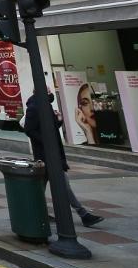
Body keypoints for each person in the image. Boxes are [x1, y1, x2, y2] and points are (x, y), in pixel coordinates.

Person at [23, 92, 104, 228]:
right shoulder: (34, 107)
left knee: (40, 187)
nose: (50, 93)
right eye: (47, 90)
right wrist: (46, 142)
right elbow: (29, 129)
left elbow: (50, 128)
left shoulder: (45, 105)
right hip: (46, 155)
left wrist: (58, 120)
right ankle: (83, 214)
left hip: (53, 153)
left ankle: (34, 213)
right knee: (64, 185)